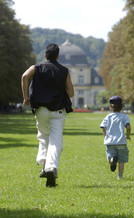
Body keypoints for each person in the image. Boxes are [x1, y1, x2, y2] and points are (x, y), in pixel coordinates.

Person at [21, 43, 74, 187]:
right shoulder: (64, 71)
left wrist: (26, 97)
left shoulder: (36, 68)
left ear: (45, 55)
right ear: (58, 56)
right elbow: (71, 93)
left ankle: (44, 165)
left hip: (41, 110)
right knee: (55, 141)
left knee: (43, 137)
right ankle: (51, 168)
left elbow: (25, 76)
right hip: (57, 111)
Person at [100, 96, 131, 180]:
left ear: (110, 107)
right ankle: (120, 176)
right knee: (121, 160)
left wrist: (105, 136)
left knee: (110, 156)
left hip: (110, 142)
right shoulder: (124, 117)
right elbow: (128, 127)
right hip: (121, 142)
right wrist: (128, 135)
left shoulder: (108, 117)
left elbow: (104, 128)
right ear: (121, 107)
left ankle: (112, 160)